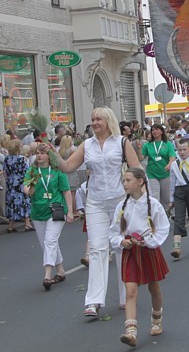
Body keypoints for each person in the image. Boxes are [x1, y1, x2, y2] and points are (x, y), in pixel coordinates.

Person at [51, 107, 140, 317]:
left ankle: (124, 296)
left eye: (98, 119)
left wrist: (138, 195)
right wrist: (51, 153)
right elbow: (67, 167)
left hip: (120, 201)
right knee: (97, 249)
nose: (95, 122)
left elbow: (137, 170)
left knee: (122, 247)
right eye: (92, 119)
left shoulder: (121, 142)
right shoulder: (87, 145)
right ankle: (93, 301)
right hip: (95, 202)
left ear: (108, 120)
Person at [110, 167, 170, 347]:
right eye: (124, 180)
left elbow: (163, 228)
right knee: (130, 291)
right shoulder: (121, 206)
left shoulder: (154, 205)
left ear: (140, 182)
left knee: (154, 287)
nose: (125, 184)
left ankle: (157, 318)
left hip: (147, 250)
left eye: (128, 180)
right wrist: (122, 241)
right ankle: (131, 332)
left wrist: (149, 241)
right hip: (130, 251)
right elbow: (113, 232)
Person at [23, 144, 75, 290]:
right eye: (37, 153)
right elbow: (25, 185)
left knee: (50, 240)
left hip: (56, 210)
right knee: (46, 243)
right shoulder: (33, 171)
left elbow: (66, 191)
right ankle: (60, 270)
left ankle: (47, 274)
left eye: (42, 153)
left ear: (49, 155)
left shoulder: (58, 171)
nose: (39, 156)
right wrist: (28, 191)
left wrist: (70, 211)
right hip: (38, 211)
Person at [168, 138, 189, 259]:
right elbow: (172, 181)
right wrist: (171, 199)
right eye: (179, 150)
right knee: (179, 217)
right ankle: (177, 247)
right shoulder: (174, 164)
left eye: (184, 149)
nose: (182, 152)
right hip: (180, 191)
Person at [141, 124, 177, 209]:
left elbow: (172, 157)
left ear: (161, 131)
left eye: (156, 129)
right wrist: (139, 148)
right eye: (153, 130)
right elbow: (141, 157)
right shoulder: (147, 145)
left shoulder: (167, 144)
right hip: (152, 173)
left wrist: (169, 164)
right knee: (154, 198)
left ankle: (165, 216)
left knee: (166, 198)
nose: (154, 131)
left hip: (165, 173)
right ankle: (155, 217)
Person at [3, 140, 31, 233]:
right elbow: (27, 171)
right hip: (21, 182)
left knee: (11, 202)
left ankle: (11, 225)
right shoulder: (23, 159)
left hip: (11, 182)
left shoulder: (7, 159)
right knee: (24, 201)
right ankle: (27, 223)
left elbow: (5, 171)